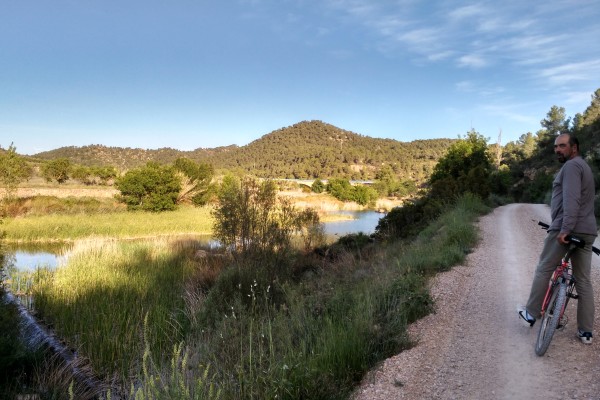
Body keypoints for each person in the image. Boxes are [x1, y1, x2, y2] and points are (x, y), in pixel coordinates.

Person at [518, 133, 597, 344]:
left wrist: (565, 229)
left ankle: (531, 314)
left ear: (574, 148)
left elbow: (572, 200)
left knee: (544, 268)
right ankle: (586, 332)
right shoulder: (585, 167)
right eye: (556, 147)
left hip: (567, 227)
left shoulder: (571, 167)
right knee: (583, 281)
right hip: (588, 231)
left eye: (562, 146)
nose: (557, 150)